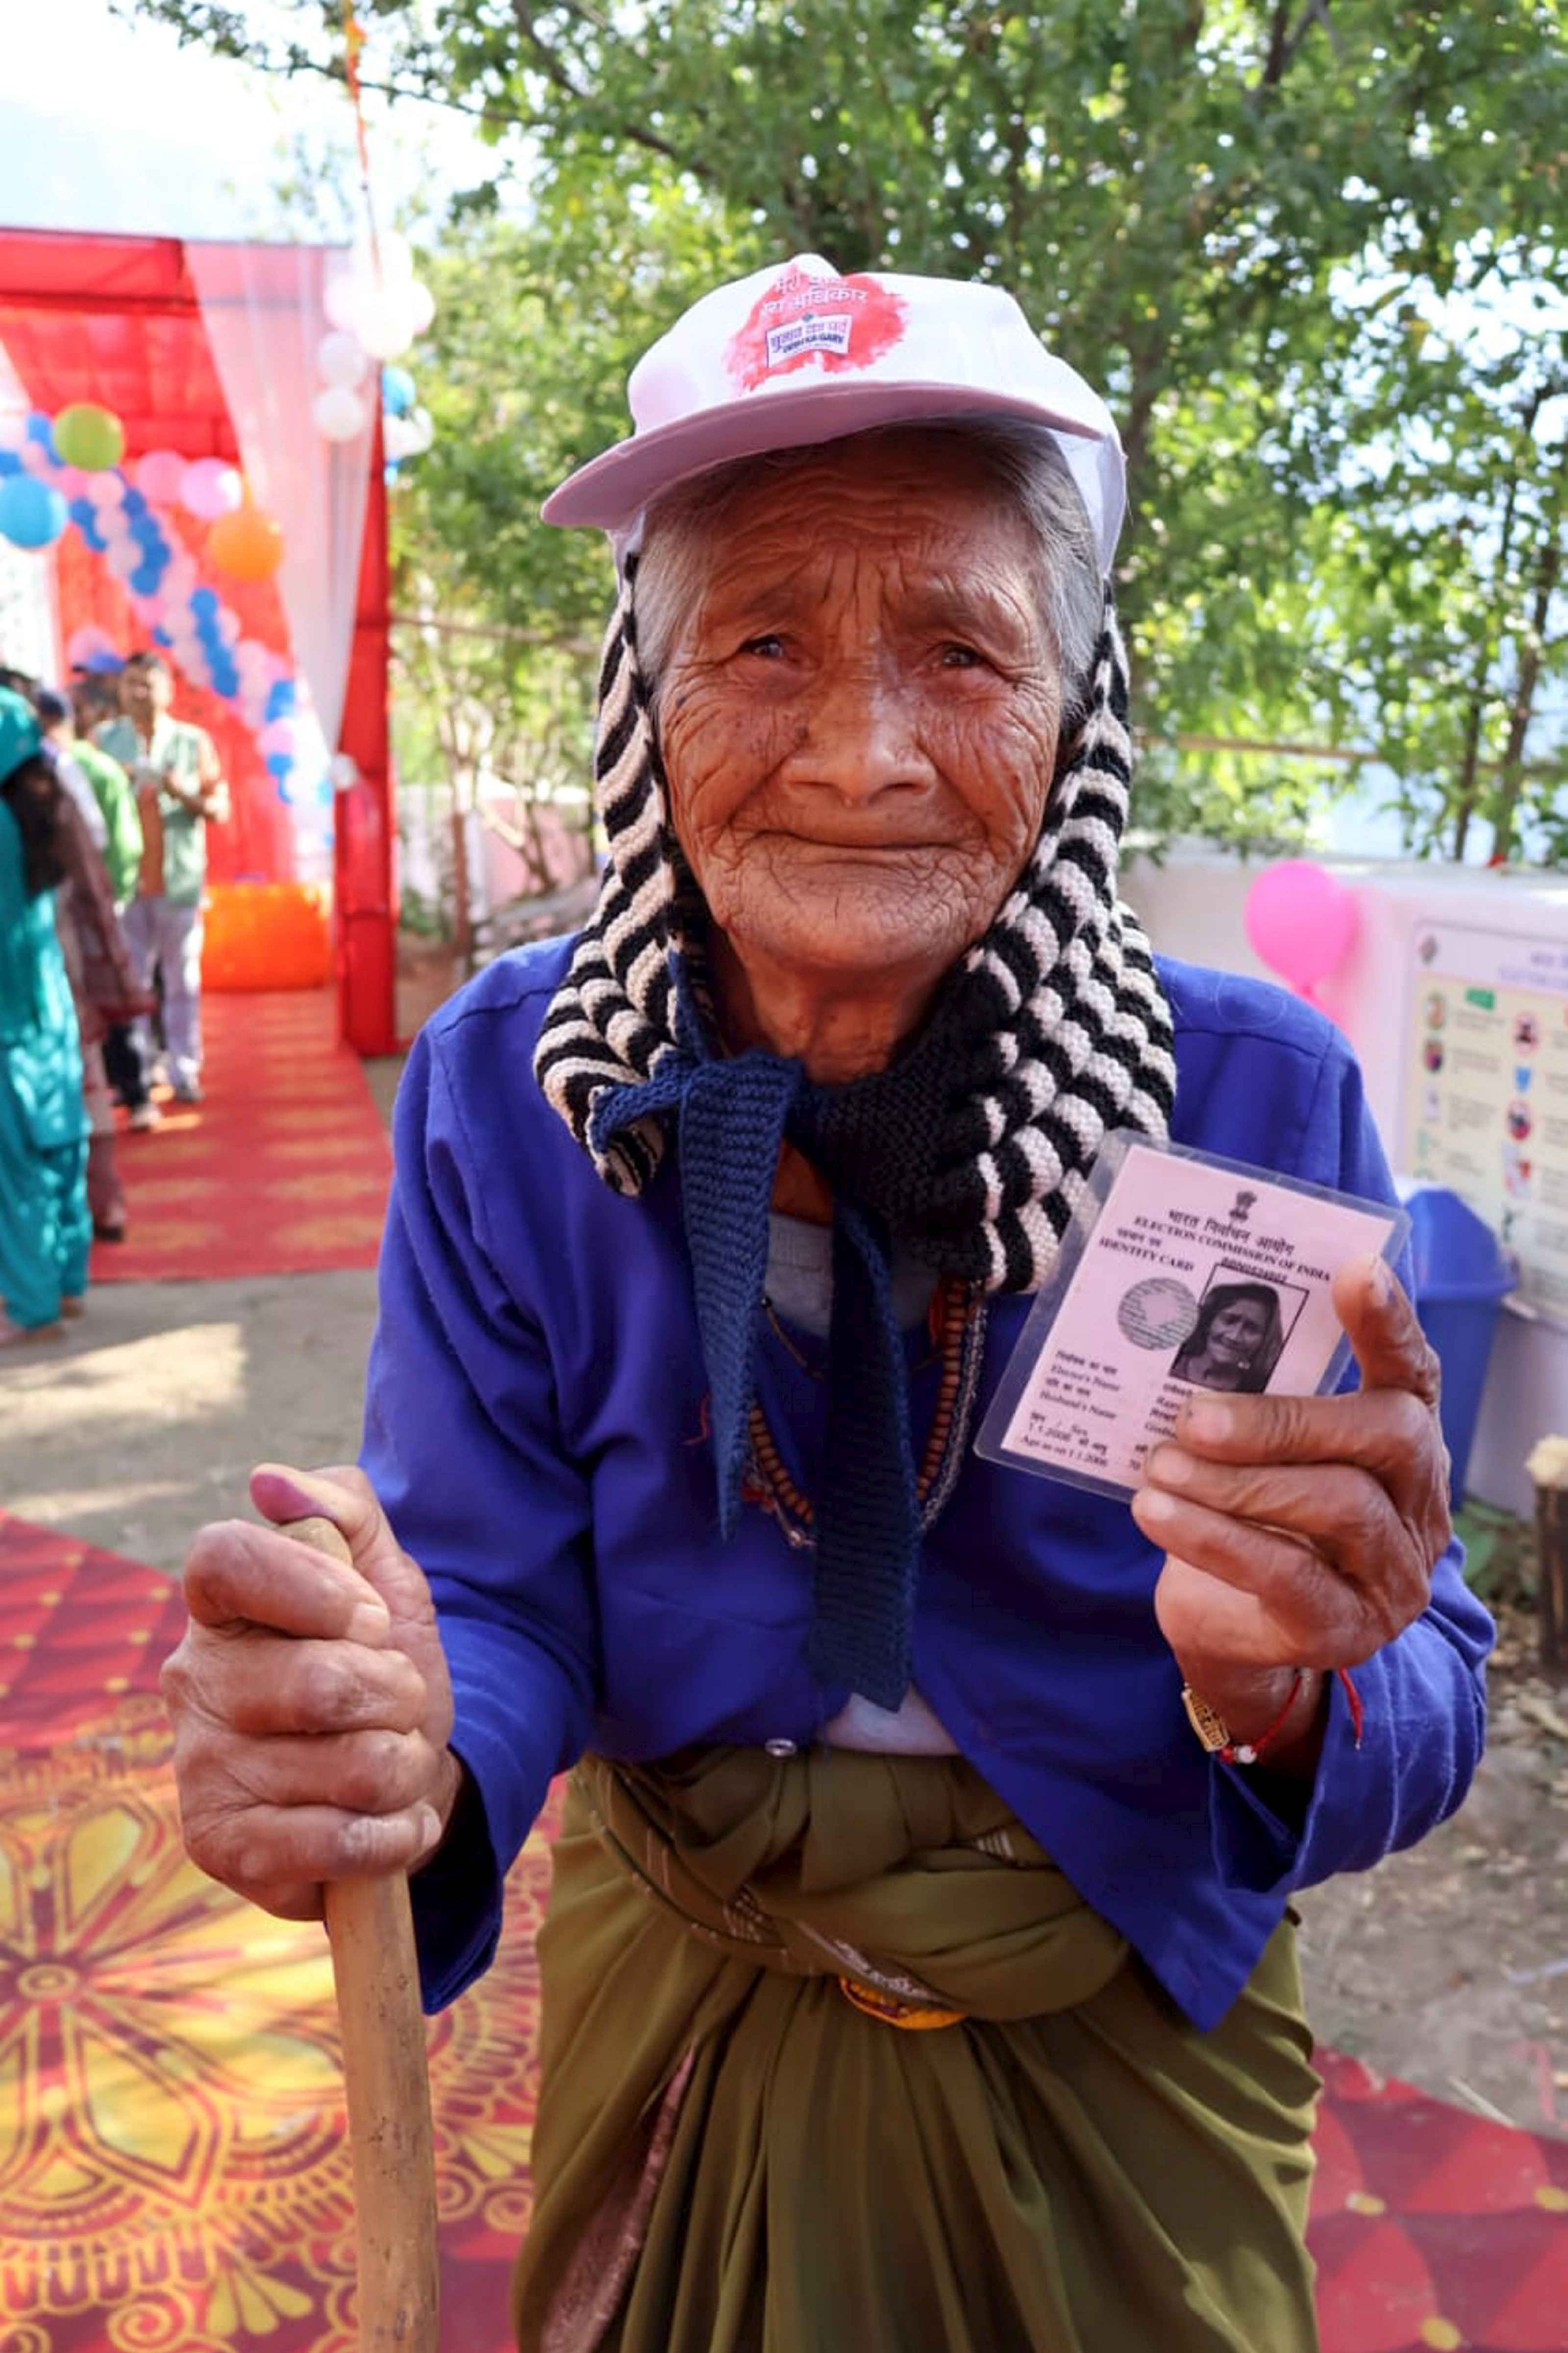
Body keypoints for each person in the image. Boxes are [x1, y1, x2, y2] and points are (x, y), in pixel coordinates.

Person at [162, 258, 1491, 2353]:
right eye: (761, 643)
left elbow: (1428, 1691)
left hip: (1122, 1997)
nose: (864, 753)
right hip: (690, 1992)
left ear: (1076, 711)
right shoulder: (515, 1097)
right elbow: (499, 1599)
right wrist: (406, 1744)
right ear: (640, 698)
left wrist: (1292, 1687)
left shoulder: (1243, 1103)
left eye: (960, 649)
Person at [97, 650, 229, 1107]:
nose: (139, 692)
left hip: (179, 882)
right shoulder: (102, 742)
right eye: (131, 683)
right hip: (126, 885)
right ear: (119, 689)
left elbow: (219, 808)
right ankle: (138, 1075)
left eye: (148, 684)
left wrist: (180, 791)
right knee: (131, 986)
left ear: (168, 690)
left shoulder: (193, 742)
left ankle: (184, 1069)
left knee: (181, 983)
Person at [0, 688, 91, 1341]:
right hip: (48, 1008)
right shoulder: (37, 810)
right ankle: (64, 1289)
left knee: (15, 1167)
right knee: (60, 1150)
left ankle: (30, 1305)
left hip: (8, 1019)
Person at [1170, 1279, 1285, 1395]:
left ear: (1264, 1340)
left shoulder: (1258, 1392)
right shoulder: (1172, 1360)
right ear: (1209, 1321)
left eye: (1252, 1329)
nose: (1234, 1337)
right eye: (1229, 1321)